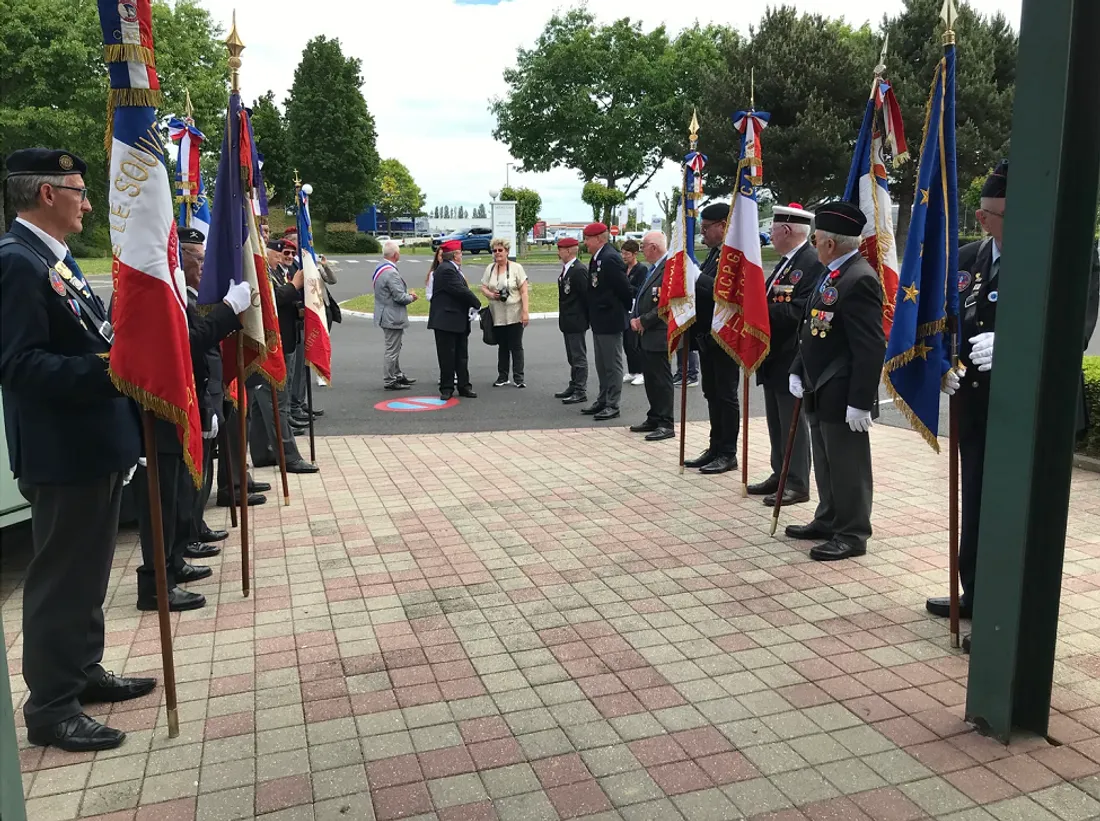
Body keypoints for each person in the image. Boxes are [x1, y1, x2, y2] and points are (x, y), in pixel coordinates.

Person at [0, 148, 151, 751]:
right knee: (61, 577)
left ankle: (81, 671)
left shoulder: (50, 260)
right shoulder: (17, 263)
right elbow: (18, 365)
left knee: (86, 571)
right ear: (46, 195)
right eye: (79, 191)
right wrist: (109, 369)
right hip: (63, 451)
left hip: (91, 444)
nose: (88, 203)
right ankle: (52, 707)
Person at [926, 161, 1100, 634]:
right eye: (998, 214)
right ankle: (976, 593)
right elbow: (942, 323)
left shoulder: (1068, 257)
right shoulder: (967, 258)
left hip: (1034, 408)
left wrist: (1018, 347)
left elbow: (1074, 331)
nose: (1010, 223)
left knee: (1020, 511)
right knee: (978, 501)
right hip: (979, 406)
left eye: (1011, 213)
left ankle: (1015, 612)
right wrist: (941, 367)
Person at [132, 239, 248, 614]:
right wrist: (229, 309)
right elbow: (186, 341)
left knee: (177, 492)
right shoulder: (149, 289)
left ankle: (172, 563)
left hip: (182, 402)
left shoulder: (169, 289)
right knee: (163, 498)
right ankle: (156, 581)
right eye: (194, 257)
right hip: (161, 408)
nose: (201, 265)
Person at [787, 201, 886, 561]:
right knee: (826, 459)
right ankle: (829, 518)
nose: (813, 245)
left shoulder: (859, 278)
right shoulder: (831, 274)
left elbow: (870, 346)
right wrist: (798, 367)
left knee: (848, 465)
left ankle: (853, 532)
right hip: (819, 386)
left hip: (843, 390)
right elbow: (811, 328)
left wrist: (861, 400)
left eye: (816, 240)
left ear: (829, 243)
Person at [748, 203, 821, 506]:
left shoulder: (811, 262)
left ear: (787, 230)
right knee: (777, 421)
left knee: (793, 423)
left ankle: (797, 482)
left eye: (773, 230)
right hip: (773, 355)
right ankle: (780, 472)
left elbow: (798, 311)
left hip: (792, 355)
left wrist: (757, 311)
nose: (770, 235)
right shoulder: (785, 263)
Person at [179, 228, 230, 557]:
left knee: (204, 465)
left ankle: (196, 524)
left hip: (209, 392)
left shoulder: (197, 295)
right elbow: (196, 342)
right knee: (189, 471)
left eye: (204, 259)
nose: (203, 266)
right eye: (197, 259)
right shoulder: (179, 297)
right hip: (193, 395)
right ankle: (187, 532)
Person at [249, 240, 318, 474]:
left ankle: (260, 452)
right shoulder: (257, 270)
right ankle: (288, 456)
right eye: (277, 252)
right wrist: (294, 285)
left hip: (281, 341)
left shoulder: (276, 271)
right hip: (267, 346)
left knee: (261, 405)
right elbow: (268, 302)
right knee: (277, 403)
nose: (281, 256)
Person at [685, 203, 741, 474]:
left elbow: (727, 292)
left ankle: (728, 452)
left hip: (727, 336)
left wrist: (697, 278)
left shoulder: (735, 256)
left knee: (726, 395)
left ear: (723, 225)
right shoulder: (714, 254)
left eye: (706, 228)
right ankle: (715, 446)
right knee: (712, 393)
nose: (703, 234)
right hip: (708, 336)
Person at [580, 222, 632, 420]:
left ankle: (613, 404)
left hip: (610, 319)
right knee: (602, 364)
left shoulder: (610, 258)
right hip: (600, 319)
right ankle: (603, 399)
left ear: (599, 239)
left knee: (612, 364)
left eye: (588, 239)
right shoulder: (597, 258)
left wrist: (621, 311)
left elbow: (624, 289)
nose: (585, 243)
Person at [628, 231, 674, 440]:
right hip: (646, 334)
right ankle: (654, 416)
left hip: (659, 332)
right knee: (651, 379)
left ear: (654, 247)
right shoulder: (653, 269)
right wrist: (635, 316)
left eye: (643, 246)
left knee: (661, 380)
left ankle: (666, 422)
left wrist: (643, 320)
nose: (641, 250)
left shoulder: (669, 269)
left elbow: (668, 304)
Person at [428, 240, 481, 400]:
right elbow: (460, 290)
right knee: (447, 356)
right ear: (455, 255)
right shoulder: (446, 270)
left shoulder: (452, 269)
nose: (462, 255)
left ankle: (464, 386)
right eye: (460, 253)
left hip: (456, 319)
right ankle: (447, 388)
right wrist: (476, 303)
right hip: (446, 321)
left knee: (461, 355)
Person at [480, 237, 530, 388]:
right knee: (502, 345)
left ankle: (519, 378)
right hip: (497, 313)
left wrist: (525, 312)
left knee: (516, 345)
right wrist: (490, 295)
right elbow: (482, 287)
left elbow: (524, 291)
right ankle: (502, 376)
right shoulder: (490, 268)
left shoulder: (516, 268)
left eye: (500, 250)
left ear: (507, 251)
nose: (497, 253)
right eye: (494, 251)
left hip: (514, 312)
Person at [373, 240, 418, 391]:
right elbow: (400, 297)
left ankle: (397, 374)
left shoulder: (379, 267)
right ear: (396, 255)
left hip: (383, 312)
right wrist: (412, 297)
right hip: (392, 315)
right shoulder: (391, 272)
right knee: (392, 349)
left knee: (395, 346)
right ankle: (390, 379)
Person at [553, 236, 590, 405]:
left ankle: (580, 390)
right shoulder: (567, 269)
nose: (558, 252)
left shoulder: (579, 270)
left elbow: (585, 296)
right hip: (568, 320)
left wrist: (583, 318)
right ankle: (574, 384)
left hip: (576, 320)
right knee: (572, 356)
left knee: (578, 356)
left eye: (560, 249)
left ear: (568, 250)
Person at [621, 239, 649, 385]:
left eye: (627, 254)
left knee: (635, 342)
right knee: (627, 342)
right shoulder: (623, 268)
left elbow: (641, 290)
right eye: (623, 253)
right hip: (625, 308)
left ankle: (641, 371)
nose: (624, 256)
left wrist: (626, 287)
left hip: (635, 307)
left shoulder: (641, 270)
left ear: (635, 254)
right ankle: (632, 370)